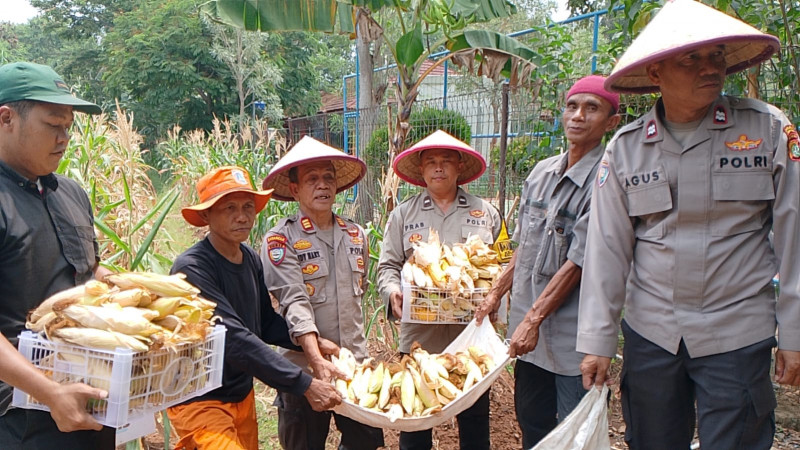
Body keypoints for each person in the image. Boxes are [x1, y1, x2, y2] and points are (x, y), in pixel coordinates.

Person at [575, 0, 800, 448]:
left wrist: (794, 331)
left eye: (716, 55)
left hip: (737, 331)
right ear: (656, 72)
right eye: (691, 58)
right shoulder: (626, 149)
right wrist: (597, 339)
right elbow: (606, 250)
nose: (709, 67)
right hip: (652, 334)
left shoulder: (768, 131)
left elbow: (795, 235)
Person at [474, 75, 621, 447]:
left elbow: (579, 261)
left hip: (574, 339)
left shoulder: (607, 180)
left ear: (611, 121)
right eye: (572, 106)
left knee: (575, 432)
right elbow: (524, 244)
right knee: (532, 422)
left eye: (592, 108)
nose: (578, 116)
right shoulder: (540, 173)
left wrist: (533, 319)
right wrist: (495, 294)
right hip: (529, 338)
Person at [166, 166, 342, 449]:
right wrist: (304, 384)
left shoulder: (248, 257)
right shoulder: (193, 268)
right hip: (200, 398)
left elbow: (265, 322)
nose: (242, 216)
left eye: (249, 206)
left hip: (239, 393)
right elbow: (233, 339)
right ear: (206, 215)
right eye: (229, 208)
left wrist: (312, 343)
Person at [0, 61, 116, 448]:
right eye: (53, 124)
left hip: (92, 396)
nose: (64, 137)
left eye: (68, 127)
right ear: (6, 118)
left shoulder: (70, 193)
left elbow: (86, 275)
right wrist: (50, 393)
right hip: (23, 416)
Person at [377, 130, 502, 450]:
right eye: (431, 162)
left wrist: (497, 304)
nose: (438, 168)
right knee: (415, 423)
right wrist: (392, 294)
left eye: (446, 161)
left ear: (460, 167)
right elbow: (387, 267)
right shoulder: (403, 214)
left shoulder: (485, 212)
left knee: (475, 425)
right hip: (420, 339)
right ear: (420, 170)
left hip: (471, 339)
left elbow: (503, 266)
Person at [261, 137, 384, 450]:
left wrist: (355, 361)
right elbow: (294, 301)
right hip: (304, 371)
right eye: (311, 179)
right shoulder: (281, 239)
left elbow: (360, 295)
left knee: (364, 444)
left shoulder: (356, 234)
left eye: (328, 178)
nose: (322, 186)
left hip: (354, 367)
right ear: (294, 189)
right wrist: (316, 362)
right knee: (304, 444)